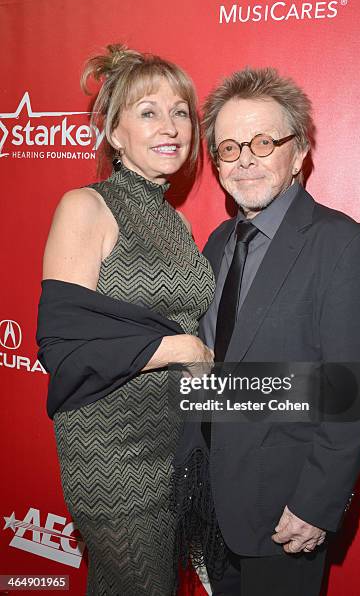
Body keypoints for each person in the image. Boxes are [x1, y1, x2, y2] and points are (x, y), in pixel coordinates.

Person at [183, 67, 360, 595]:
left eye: (263, 141)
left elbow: (357, 390)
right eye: (229, 147)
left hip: (284, 511)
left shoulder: (346, 245)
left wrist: (317, 503)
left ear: (298, 155)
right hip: (209, 499)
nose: (245, 158)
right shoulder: (217, 242)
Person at [36, 44, 215, 596]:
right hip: (114, 454)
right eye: (148, 112)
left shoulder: (177, 225)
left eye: (181, 111)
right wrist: (181, 349)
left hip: (175, 448)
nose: (171, 126)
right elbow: (61, 346)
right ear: (114, 135)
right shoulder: (86, 206)